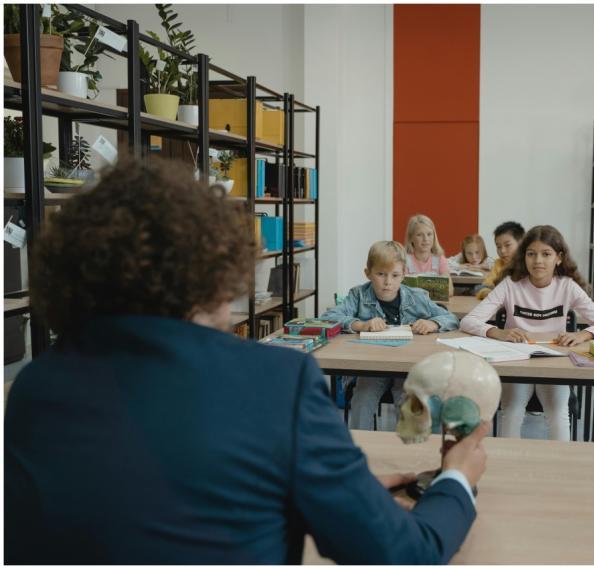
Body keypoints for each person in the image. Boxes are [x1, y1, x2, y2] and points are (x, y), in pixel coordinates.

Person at [4, 157, 488, 564]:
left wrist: (323, 484)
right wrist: (456, 480)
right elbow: (405, 554)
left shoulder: (34, 388)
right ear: (214, 269)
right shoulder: (278, 380)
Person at [460, 225, 594, 441]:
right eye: (531, 254)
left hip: (553, 363)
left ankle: (559, 462)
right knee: (512, 412)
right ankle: (508, 461)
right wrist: (498, 332)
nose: (538, 261)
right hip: (516, 361)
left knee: (558, 414)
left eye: (546, 254)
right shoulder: (510, 285)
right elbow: (468, 321)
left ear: (559, 258)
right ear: (523, 257)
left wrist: (582, 335)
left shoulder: (567, 286)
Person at [321, 240, 459, 431]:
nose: (388, 282)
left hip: (407, 367)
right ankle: (360, 446)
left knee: (408, 399)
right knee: (362, 399)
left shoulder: (417, 297)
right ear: (368, 273)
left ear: (404, 274)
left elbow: (451, 318)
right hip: (372, 367)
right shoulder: (358, 295)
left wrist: (432, 323)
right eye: (380, 274)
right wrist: (361, 325)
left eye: (395, 275)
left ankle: (408, 446)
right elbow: (328, 318)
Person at [476, 221, 525, 299]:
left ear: (521, 244)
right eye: (498, 247)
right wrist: (487, 293)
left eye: (507, 245)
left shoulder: (527, 264)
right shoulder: (498, 264)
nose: (502, 251)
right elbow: (484, 286)